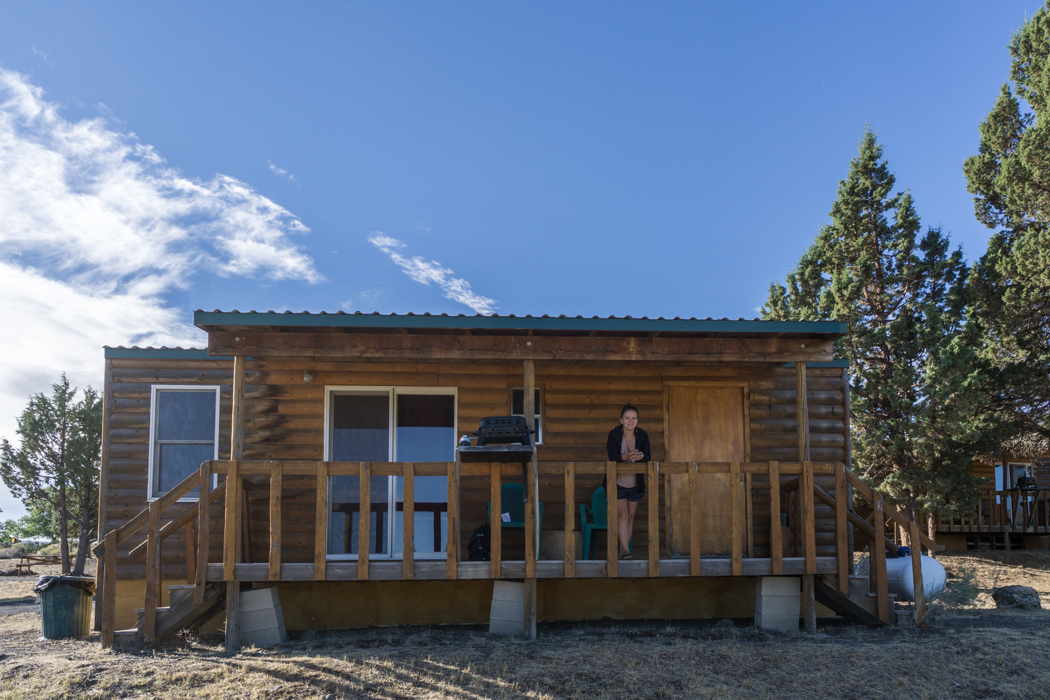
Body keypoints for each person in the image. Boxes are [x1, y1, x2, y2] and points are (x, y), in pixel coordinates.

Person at [605, 404, 651, 559]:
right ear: (621, 420)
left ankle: (622, 550)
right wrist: (627, 455)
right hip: (617, 482)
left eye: (633, 418)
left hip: (635, 483)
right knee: (622, 515)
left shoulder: (643, 435)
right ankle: (625, 550)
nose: (630, 421)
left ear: (637, 420)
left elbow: (648, 455)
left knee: (631, 516)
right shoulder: (614, 434)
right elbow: (612, 456)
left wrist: (640, 456)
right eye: (627, 418)